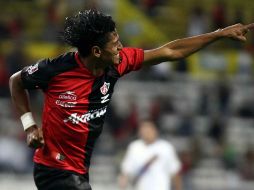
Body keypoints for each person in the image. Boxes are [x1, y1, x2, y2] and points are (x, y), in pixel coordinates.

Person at [9, 9, 254, 190]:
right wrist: (29, 125)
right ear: (96, 51)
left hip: (80, 170)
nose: (121, 47)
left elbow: (171, 51)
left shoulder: (118, 62)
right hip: (54, 170)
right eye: (115, 44)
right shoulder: (57, 69)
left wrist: (220, 34)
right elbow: (16, 82)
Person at [119, 120, 182, 190]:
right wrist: (122, 186)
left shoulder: (166, 147)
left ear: (155, 130)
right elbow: (126, 171)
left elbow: (175, 172)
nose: (146, 133)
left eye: (148, 130)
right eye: (143, 130)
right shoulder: (134, 147)